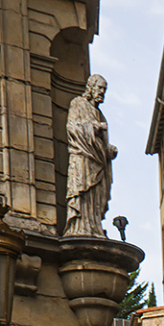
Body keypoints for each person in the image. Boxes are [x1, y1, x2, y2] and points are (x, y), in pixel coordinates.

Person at [64, 75, 116, 237]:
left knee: (96, 196)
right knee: (83, 191)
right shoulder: (78, 104)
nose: (102, 92)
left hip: (98, 161)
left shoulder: (100, 114)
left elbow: (101, 143)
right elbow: (73, 128)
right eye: (99, 88)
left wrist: (109, 150)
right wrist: (94, 127)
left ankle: (94, 227)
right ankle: (80, 227)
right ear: (91, 87)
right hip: (82, 157)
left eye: (104, 90)